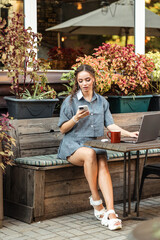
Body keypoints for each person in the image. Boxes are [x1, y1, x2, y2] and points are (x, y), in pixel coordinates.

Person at [57, 64, 138, 231]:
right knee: (90, 154)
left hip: (94, 144)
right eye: (81, 81)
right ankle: (95, 200)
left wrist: (130, 134)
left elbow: (111, 126)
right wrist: (75, 118)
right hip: (73, 145)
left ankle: (111, 212)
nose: (85, 83)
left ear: (93, 79)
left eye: (87, 79)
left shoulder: (102, 101)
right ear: (77, 82)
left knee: (101, 160)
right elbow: (62, 129)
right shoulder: (70, 101)